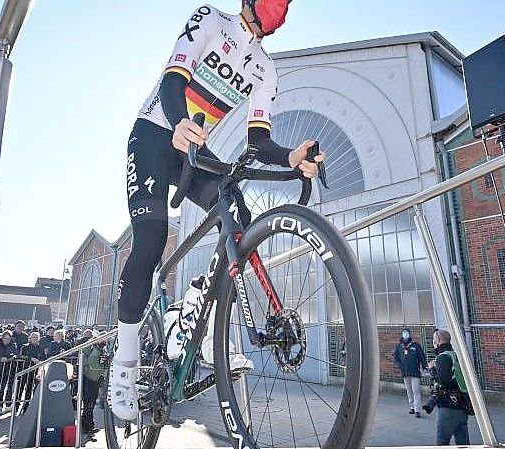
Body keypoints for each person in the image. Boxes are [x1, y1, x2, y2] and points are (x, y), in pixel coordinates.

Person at [110, 0, 325, 421]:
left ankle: (198, 316)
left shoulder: (266, 68)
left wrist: (291, 158)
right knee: (151, 242)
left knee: (237, 215)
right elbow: (173, 82)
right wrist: (178, 123)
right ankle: (125, 365)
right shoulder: (210, 19)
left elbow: (259, 142)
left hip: (195, 148)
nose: (277, 8)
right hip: (157, 133)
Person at [428, 329, 471, 446]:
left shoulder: (442, 357)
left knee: (442, 441)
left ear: (439, 340)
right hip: (462, 405)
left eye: (434, 339)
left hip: (448, 406)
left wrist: (432, 369)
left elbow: (444, 381)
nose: (433, 341)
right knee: (463, 442)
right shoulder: (454, 355)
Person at [392, 327, 428, 418]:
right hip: (405, 372)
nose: (405, 335)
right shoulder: (399, 346)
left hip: (415, 372)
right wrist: (398, 364)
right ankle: (411, 406)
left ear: (409, 334)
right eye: (404, 333)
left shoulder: (415, 345)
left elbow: (422, 357)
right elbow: (395, 357)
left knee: (416, 390)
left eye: (407, 333)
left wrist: (424, 366)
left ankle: (417, 410)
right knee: (409, 390)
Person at [80, 329, 107, 434]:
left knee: (91, 403)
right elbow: (82, 359)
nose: (106, 341)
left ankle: (89, 424)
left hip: (96, 379)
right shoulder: (90, 346)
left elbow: (101, 363)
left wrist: (104, 361)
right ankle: (87, 426)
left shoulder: (101, 348)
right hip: (88, 378)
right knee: (88, 403)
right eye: (105, 339)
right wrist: (96, 360)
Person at [17, 331, 44, 414]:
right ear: (30, 338)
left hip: (34, 372)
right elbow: (20, 356)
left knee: (29, 390)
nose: (35, 339)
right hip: (24, 370)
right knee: (19, 389)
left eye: (36, 337)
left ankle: (26, 408)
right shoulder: (24, 347)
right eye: (33, 337)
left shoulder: (40, 348)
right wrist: (31, 358)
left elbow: (43, 358)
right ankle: (16, 407)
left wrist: (40, 361)